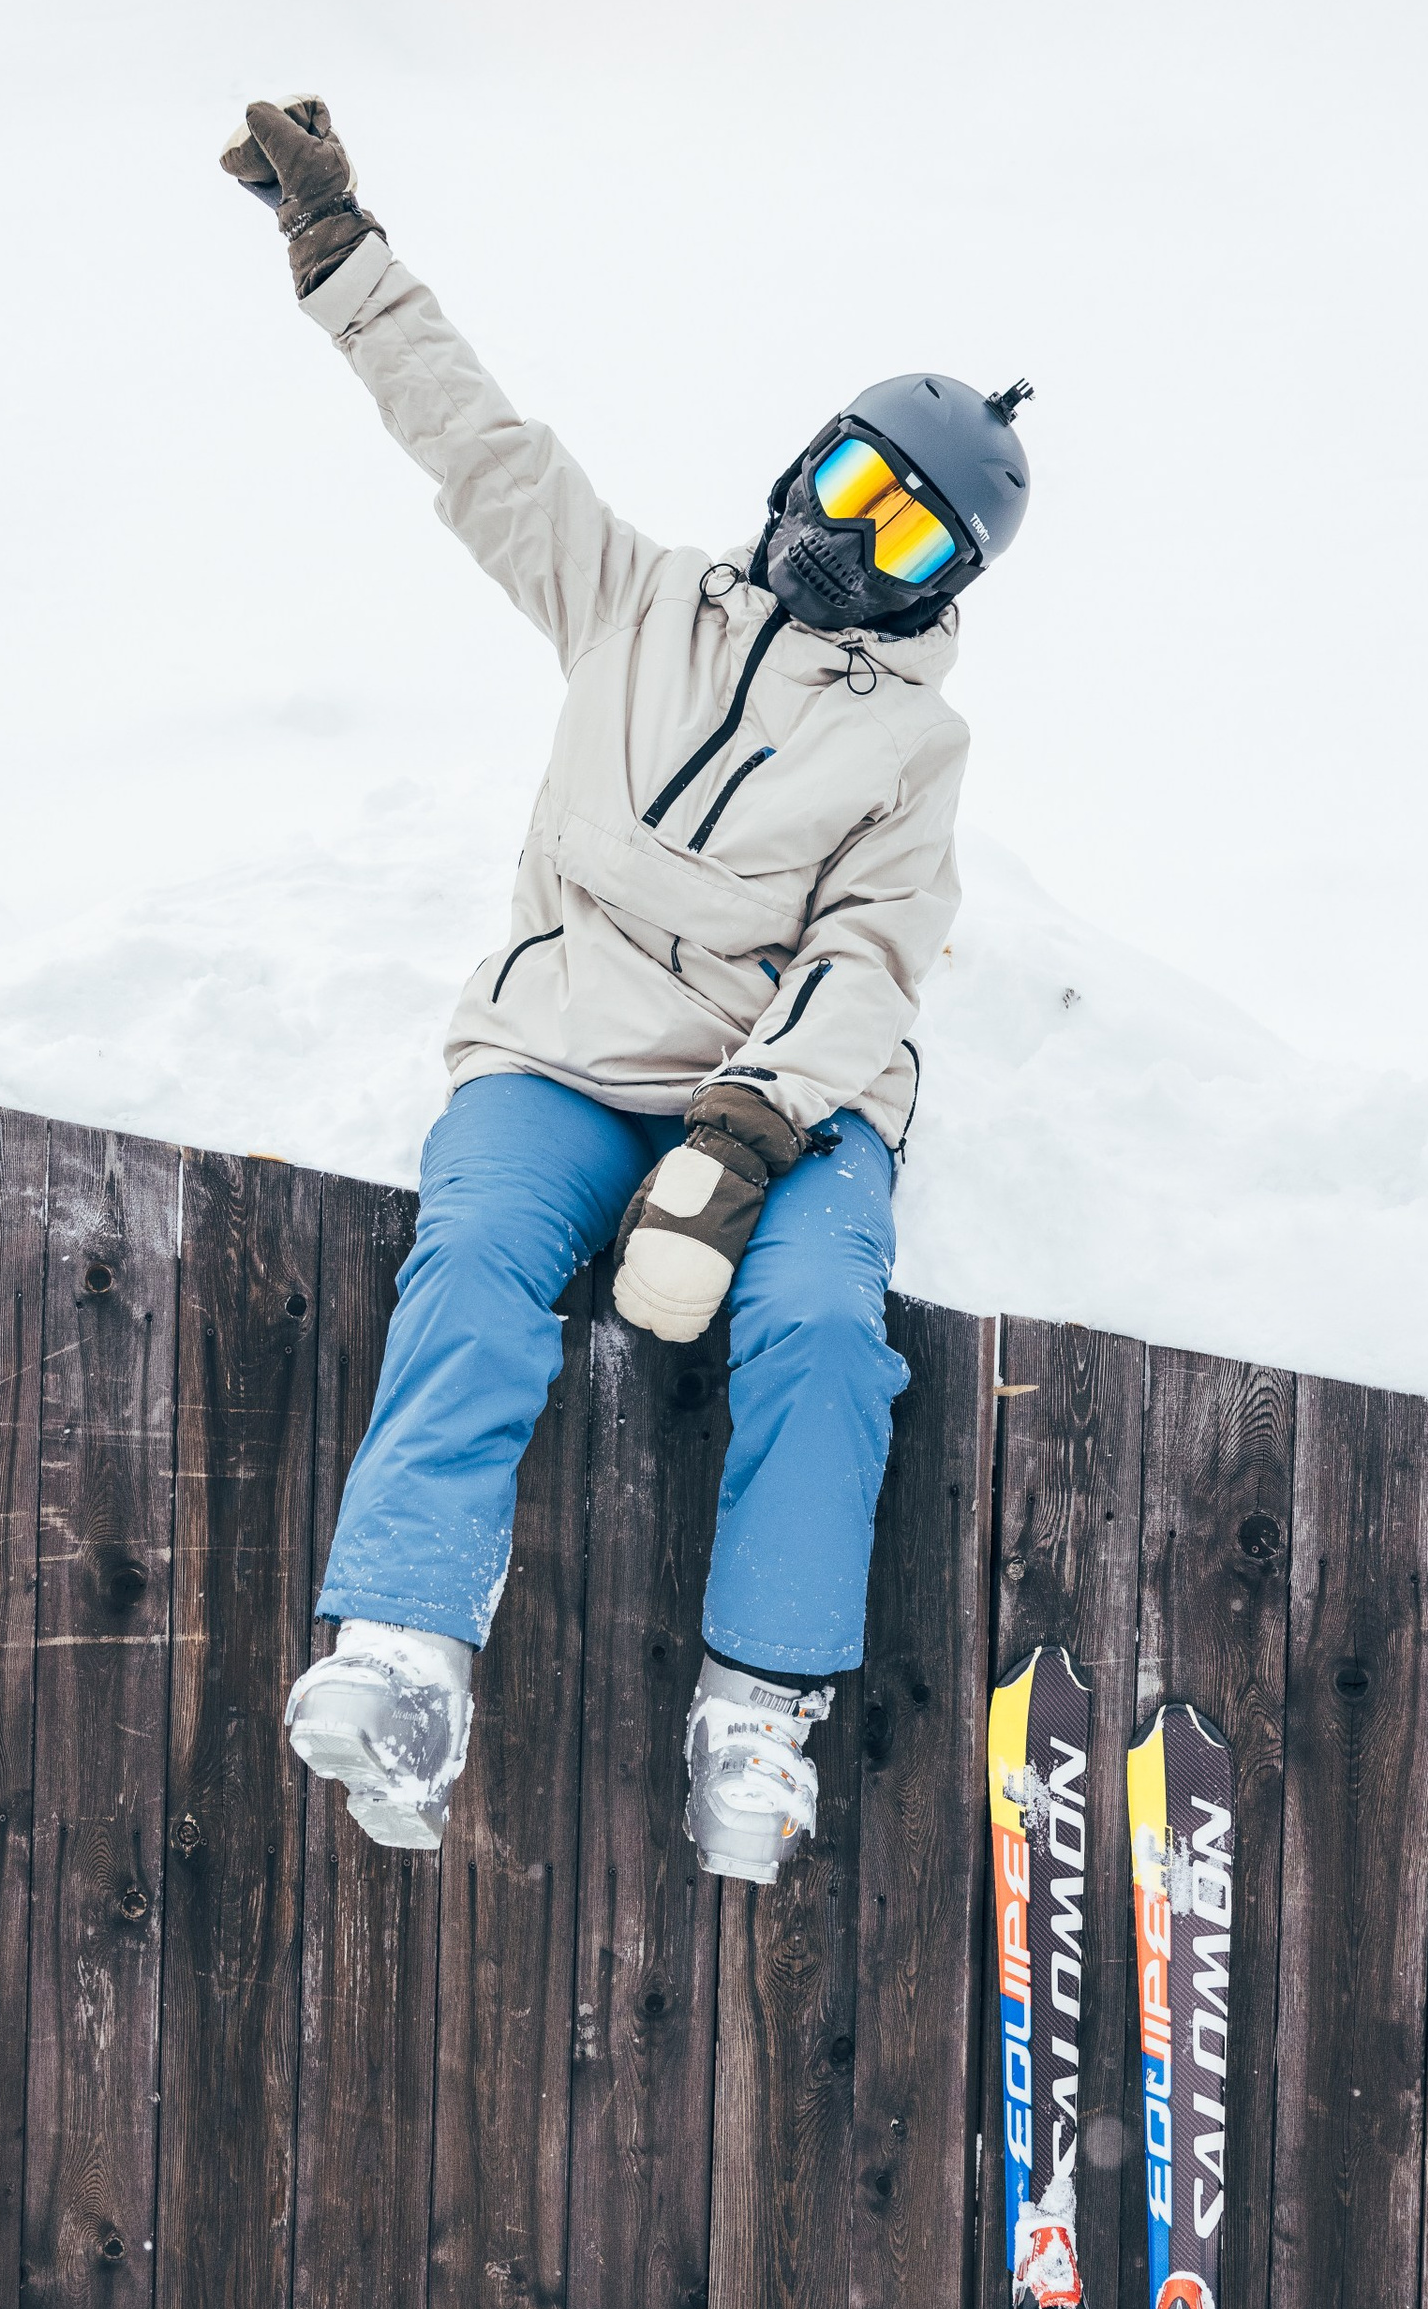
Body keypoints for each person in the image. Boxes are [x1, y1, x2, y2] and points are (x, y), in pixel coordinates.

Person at [221, 96, 1032, 1882]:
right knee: (483, 1244)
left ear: (942, 587)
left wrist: (747, 1134)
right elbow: (478, 449)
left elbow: (871, 957)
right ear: (800, 467)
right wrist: (343, 259)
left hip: (788, 1090)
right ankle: (406, 1651)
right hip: (571, 1037)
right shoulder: (637, 600)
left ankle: (760, 1707)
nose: (853, 539)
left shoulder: (916, 745)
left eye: (904, 537)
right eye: (848, 490)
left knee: (820, 1326)